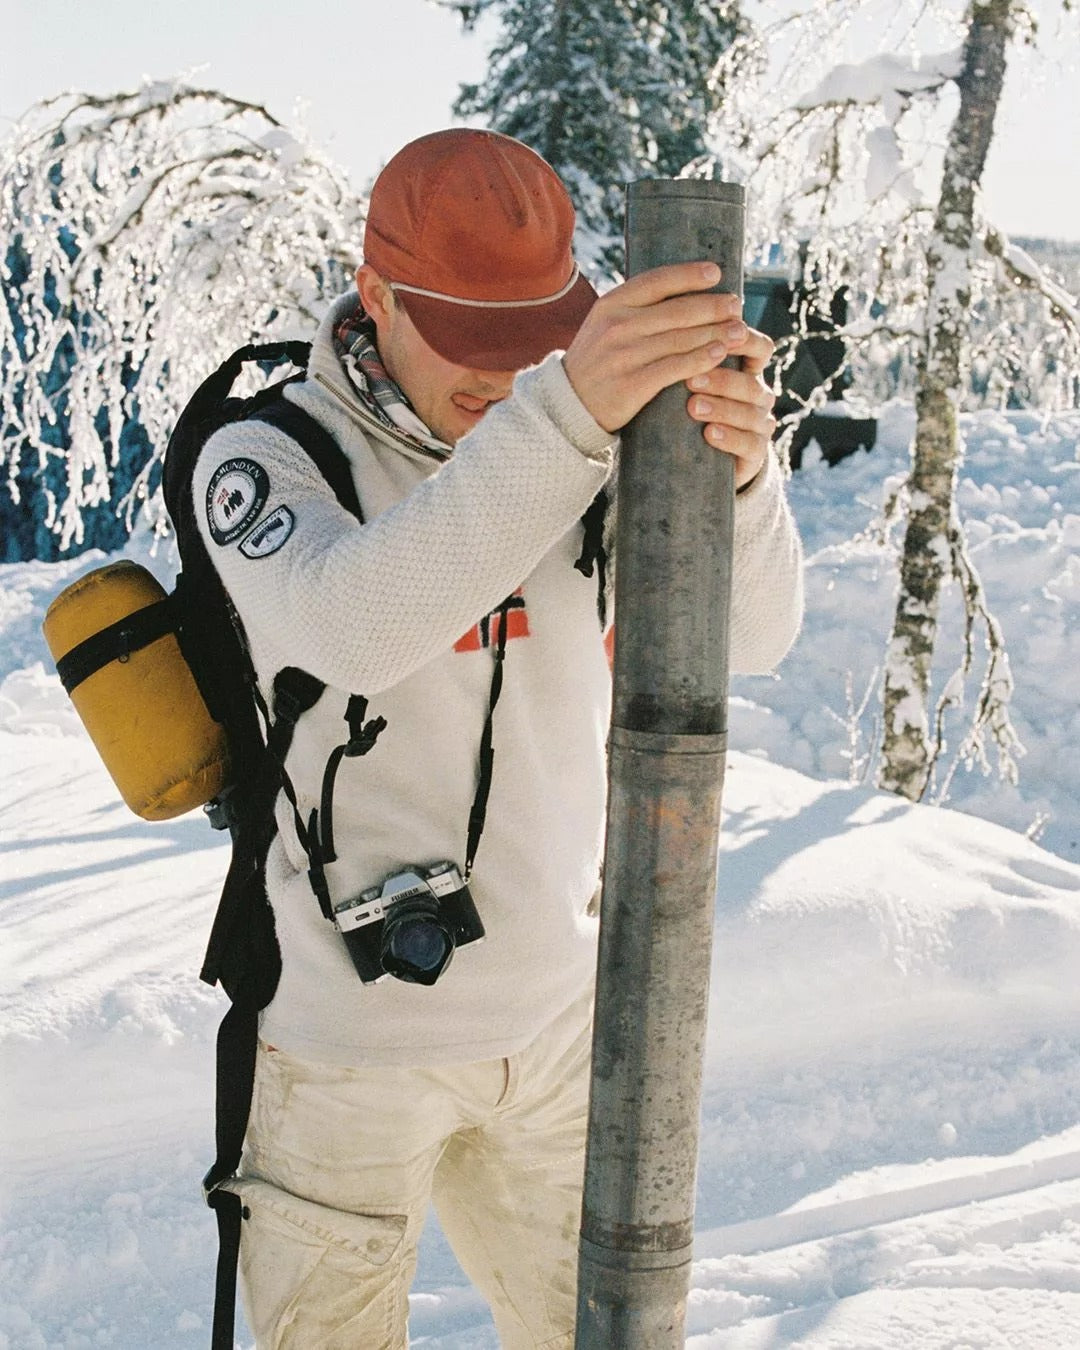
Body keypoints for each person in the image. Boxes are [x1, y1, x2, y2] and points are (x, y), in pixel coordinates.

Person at [193, 128, 803, 1349]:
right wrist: (566, 410)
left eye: (528, 343)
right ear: (375, 297)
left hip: (554, 1029)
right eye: (468, 345)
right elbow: (359, 624)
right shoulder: (267, 454)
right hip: (339, 1053)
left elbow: (755, 635)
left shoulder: (569, 433)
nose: (499, 381)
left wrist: (739, 475)